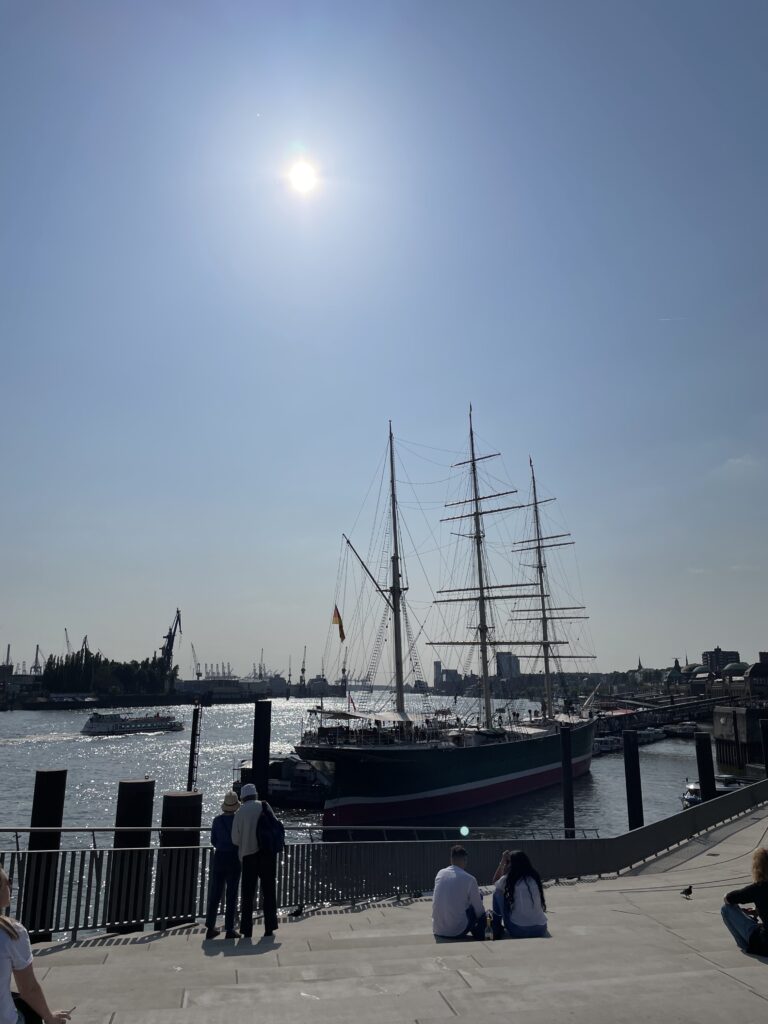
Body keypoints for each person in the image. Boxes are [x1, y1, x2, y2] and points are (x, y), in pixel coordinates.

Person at [0, 866, 72, 1024]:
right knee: (29, 1010)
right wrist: (49, 1017)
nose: (11, 886)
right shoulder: (11, 932)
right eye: (8, 881)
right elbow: (28, 989)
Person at [231, 784, 278, 939]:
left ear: (243, 797)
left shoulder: (240, 812)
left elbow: (235, 839)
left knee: (247, 895)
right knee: (269, 892)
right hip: (267, 855)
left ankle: (247, 930)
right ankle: (270, 927)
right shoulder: (264, 806)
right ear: (255, 795)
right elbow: (275, 826)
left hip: (248, 857)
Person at [204, 790, 242, 940]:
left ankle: (210, 926)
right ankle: (229, 929)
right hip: (233, 857)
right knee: (231, 894)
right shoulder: (237, 820)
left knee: (215, 893)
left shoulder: (217, 820)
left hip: (219, 857)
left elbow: (213, 840)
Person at [432, 845, 486, 941]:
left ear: (451, 859)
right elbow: (479, 911)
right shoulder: (470, 879)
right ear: (465, 860)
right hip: (457, 931)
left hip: (438, 929)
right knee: (479, 897)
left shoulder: (440, 873)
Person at [491, 849, 548, 939]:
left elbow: (495, 882)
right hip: (541, 929)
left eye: (508, 862)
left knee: (497, 892)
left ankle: (496, 926)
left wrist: (502, 862)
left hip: (519, 930)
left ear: (512, 864)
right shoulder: (534, 878)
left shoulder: (508, 879)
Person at [721, 848, 768, 955]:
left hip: (765, 945)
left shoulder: (758, 888)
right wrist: (757, 910)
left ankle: (746, 946)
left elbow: (728, 899)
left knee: (726, 909)